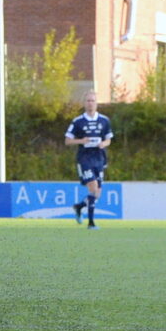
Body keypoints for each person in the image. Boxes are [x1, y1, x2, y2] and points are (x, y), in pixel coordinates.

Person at [65, 90, 112, 230]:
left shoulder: (104, 120)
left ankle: (79, 206)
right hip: (85, 159)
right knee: (93, 187)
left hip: (99, 158)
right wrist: (81, 140)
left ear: (97, 103)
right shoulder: (78, 121)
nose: (90, 103)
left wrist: (103, 144)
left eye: (93, 101)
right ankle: (91, 223)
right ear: (84, 103)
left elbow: (108, 139)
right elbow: (67, 141)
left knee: (97, 193)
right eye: (88, 101)